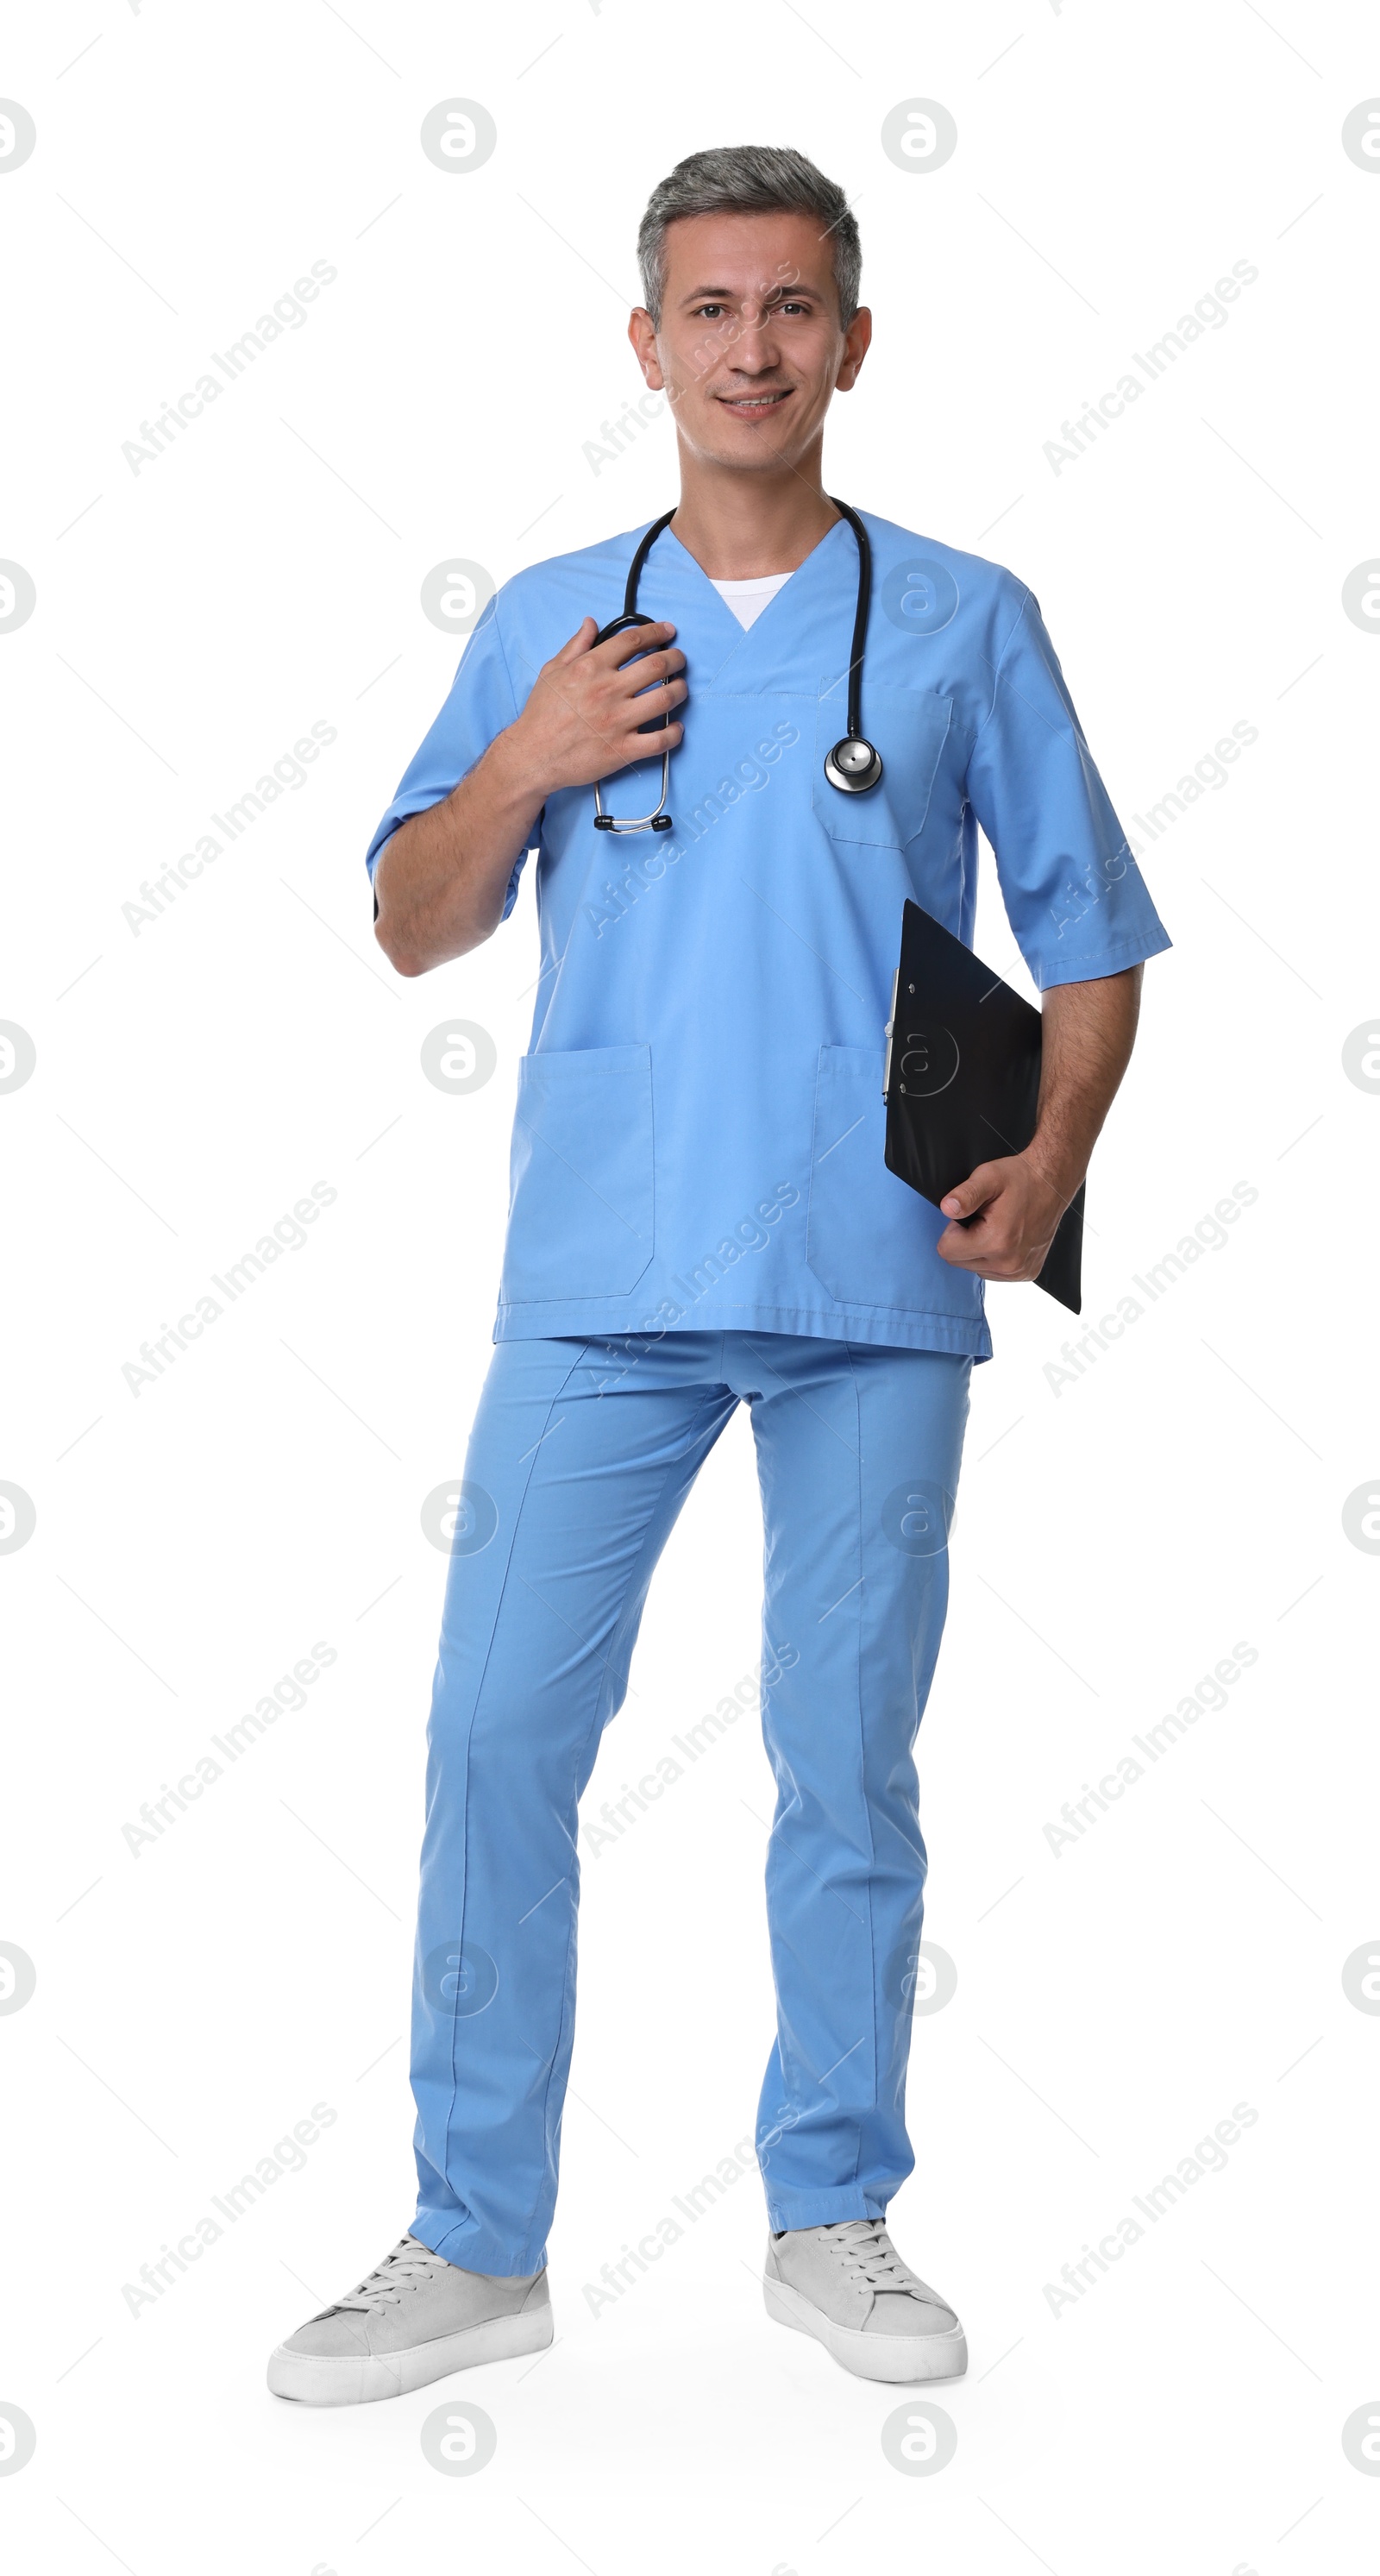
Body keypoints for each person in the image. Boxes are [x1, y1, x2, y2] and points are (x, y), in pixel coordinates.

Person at [267, 144, 1170, 2407]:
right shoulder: (559, 626)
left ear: (851, 342)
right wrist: (530, 758)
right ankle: (474, 2236)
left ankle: (834, 2209)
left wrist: (1052, 1160)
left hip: (878, 1271)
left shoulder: (964, 614)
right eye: (711, 308)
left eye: (793, 308)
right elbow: (408, 918)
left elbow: (1090, 933)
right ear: (646, 344)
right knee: (494, 1738)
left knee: (841, 1757)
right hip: (601, 1277)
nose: (751, 347)